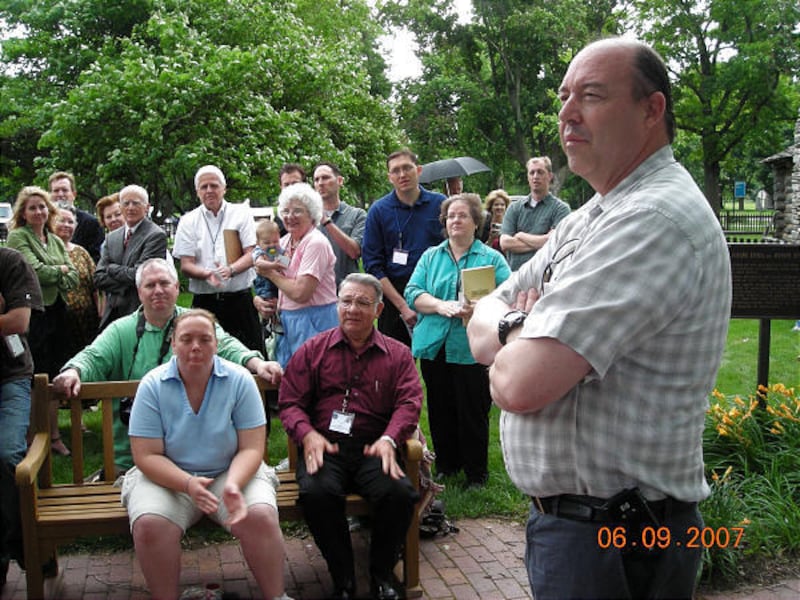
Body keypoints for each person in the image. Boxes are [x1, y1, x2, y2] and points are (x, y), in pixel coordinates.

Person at [466, 38, 732, 600]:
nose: (566, 113)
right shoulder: (592, 215)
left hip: (617, 541)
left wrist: (509, 330)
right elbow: (484, 305)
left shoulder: (653, 218)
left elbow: (518, 382)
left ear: (651, 109)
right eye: (564, 96)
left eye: (590, 95)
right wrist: (516, 323)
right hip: (588, 532)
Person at [53, 258, 282, 475]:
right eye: (150, 285)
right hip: (134, 460)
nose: (158, 290)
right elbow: (94, 356)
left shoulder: (195, 323)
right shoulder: (120, 331)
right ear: (139, 292)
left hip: (196, 458)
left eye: (164, 283)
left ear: (176, 288)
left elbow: (228, 346)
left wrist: (258, 364)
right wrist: (74, 371)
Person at [122, 309, 290, 600]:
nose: (195, 346)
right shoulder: (152, 385)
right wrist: (187, 484)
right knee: (151, 523)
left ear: (216, 343)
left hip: (230, 471)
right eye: (186, 339)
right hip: (167, 477)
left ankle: (277, 596)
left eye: (204, 339)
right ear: (174, 343)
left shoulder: (239, 380)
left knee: (260, 515)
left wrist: (234, 484)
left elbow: (252, 447)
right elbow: (146, 455)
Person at [279, 273, 422, 600]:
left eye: (362, 302)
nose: (352, 309)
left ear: (378, 309)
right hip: (325, 447)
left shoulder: (398, 354)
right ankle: (342, 578)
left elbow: (409, 402)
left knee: (398, 494)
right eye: (346, 301)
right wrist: (307, 435)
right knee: (317, 494)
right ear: (336, 305)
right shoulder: (313, 350)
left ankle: (382, 575)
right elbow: (290, 402)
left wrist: (390, 439)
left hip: (376, 447)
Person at [405, 194, 510, 488]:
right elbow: (413, 293)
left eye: (462, 215)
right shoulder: (431, 256)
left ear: (476, 222)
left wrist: (482, 307)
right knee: (440, 407)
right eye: (451, 216)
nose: (455, 221)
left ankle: (476, 473)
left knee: (473, 409)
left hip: (472, 347)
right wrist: (441, 305)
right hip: (435, 345)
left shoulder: (491, 259)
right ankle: (447, 465)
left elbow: (509, 295)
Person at [7, 186, 78, 457]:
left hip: (58, 311)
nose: (38, 212)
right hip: (33, 314)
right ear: (23, 213)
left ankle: (53, 435)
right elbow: (33, 272)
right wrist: (59, 270)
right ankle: (31, 436)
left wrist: (59, 272)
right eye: (32, 207)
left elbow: (73, 276)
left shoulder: (55, 239)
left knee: (54, 373)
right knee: (35, 374)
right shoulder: (18, 237)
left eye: (42, 207)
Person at [172, 165, 262, 351]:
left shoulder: (241, 213)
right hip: (205, 302)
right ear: (197, 192)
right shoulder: (188, 220)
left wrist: (231, 270)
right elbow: (186, 265)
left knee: (250, 355)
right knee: (204, 357)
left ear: (224, 188)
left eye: (214, 185)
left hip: (239, 299)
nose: (209, 190)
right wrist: (206, 274)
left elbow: (252, 252)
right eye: (204, 187)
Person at [362, 149, 446, 346]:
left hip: (436, 292)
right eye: (396, 171)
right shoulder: (378, 211)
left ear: (418, 170)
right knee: (393, 366)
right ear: (389, 177)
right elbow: (372, 265)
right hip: (394, 297)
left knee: (438, 364)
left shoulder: (440, 204)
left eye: (407, 168)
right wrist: (403, 306)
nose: (402, 174)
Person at [253, 183, 338, 367]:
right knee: (291, 382)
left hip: (315, 322)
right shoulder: (283, 243)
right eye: (286, 211)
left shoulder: (315, 243)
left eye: (297, 211)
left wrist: (270, 273)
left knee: (314, 380)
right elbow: (283, 277)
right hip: (288, 323)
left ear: (312, 214)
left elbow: (301, 293)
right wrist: (260, 300)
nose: (290, 217)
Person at [0, 248, 43, 586]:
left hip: (9, 375)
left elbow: (18, 322)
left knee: (7, 456)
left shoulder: (10, 262)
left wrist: (7, 313)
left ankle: (24, 545)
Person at [94, 185, 167, 331]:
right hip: (112, 314)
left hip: (139, 312)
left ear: (147, 207)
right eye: (126, 203)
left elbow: (142, 277)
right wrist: (128, 280)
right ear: (120, 207)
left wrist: (112, 268)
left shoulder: (155, 235)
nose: (130, 207)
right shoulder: (112, 237)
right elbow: (98, 278)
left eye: (136, 203)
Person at [499, 156, 571, 271]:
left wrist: (521, 235)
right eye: (532, 173)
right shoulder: (514, 208)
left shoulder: (561, 209)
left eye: (540, 172)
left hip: (546, 278)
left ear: (550, 176)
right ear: (528, 177)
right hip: (515, 276)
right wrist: (542, 242)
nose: (535, 176)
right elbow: (505, 243)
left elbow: (554, 242)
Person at [54, 206, 100, 356]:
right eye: (62, 220)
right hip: (59, 324)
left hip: (87, 322)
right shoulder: (46, 251)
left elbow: (95, 286)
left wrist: (100, 312)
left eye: (70, 222)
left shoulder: (81, 252)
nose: (66, 225)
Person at [313, 161, 367, 286]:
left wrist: (326, 221)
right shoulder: (306, 218)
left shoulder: (357, 215)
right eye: (316, 180)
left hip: (346, 293)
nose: (320, 183)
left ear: (340, 181)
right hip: (314, 294)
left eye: (325, 178)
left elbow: (354, 252)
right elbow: (290, 258)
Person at [48, 171, 105, 262]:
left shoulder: (91, 223)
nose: (60, 194)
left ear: (74, 194)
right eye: (56, 190)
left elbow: (97, 258)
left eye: (65, 190)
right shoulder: (43, 221)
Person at [252, 219, 286, 338]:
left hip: (277, 285)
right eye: (267, 242)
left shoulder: (278, 251)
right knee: (269, 301)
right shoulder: (259, 251)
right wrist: (273, 266)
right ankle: (272, 324)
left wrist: (285, 261)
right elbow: (259, 264)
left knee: (276, 299)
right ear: (258, 243)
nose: (271, 245)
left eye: (275, 241)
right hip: (264, 285)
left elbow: (288, 263)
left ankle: (275, 323)